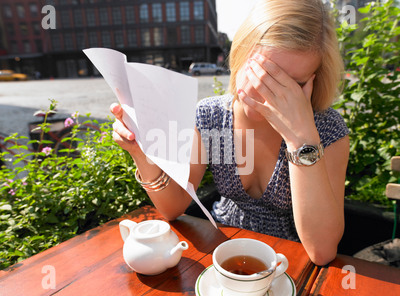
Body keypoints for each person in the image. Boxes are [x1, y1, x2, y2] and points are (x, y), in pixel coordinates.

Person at [111, 0, 350, 266]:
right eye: (262, 73)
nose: (268, 96)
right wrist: (141, 153)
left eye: (291, 86)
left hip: (290, 265)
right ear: (241, 53)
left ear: (314, 80)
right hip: (221, 254)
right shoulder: (211, 116)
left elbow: (322, 251)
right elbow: (173, 206)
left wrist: (301, 138)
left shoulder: (327, 130)